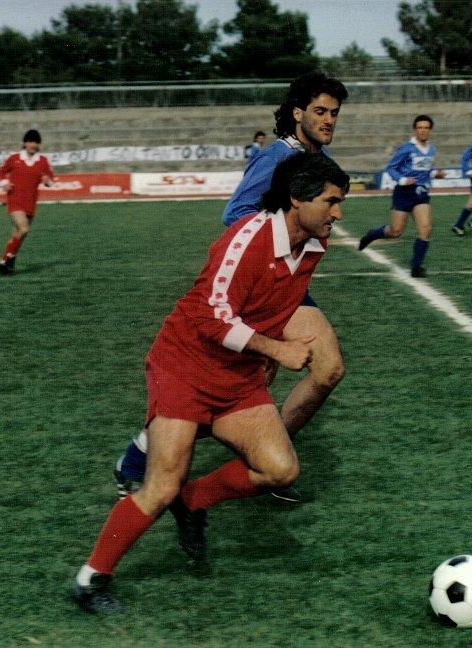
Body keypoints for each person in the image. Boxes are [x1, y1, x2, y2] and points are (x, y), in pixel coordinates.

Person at [72, 152, 350, 614]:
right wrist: (274, 349)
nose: (339, 213)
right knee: (160, 486)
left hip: (236, 375)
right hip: (185, 365)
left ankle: (194, 503)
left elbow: (276, 301)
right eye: (332, 201)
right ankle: (90, 580)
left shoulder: (315, 245)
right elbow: (208, 314)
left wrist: (268, 343)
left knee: (280, 469)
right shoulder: (248, 238)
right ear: (297, 200)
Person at [113, 71, 349, 504]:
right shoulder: (279, 156)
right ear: (297, 113)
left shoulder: (314, 153)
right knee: (229, 386)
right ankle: (144, 456)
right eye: (319, 111)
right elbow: (235, 212)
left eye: (334, 112)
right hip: (262, 281)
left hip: (288, 283)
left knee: (322, 370)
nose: (329, 119)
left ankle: (262, 462)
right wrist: (278, 232)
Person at [357, 115, 445, 278]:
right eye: (420, 128)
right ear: (415, 130)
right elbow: (391, 168)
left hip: (421, 194)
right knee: (395, 231)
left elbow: (425, 171)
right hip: (404, 193)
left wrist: (435, 173)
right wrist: (402, 179)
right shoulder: (406, 148)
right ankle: (371, 235)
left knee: (425, 229)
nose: (423, 131)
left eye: (426, 128)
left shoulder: (431, 149)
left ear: (430, 130)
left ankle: (416, 268)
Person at [0, 130, 54, 275]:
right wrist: (4, 183)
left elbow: (50, 178)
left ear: (39, 144)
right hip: (15, 199)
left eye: (35, 142)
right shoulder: (14, 158)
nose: (32, 145)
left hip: (30, 202)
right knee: (24, 228)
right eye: (29, 141)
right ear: (25, 143)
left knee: (19, 232)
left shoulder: (43, 161)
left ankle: (7, 261)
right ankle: (6, 260)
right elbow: (0, 172)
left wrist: (47, 182)